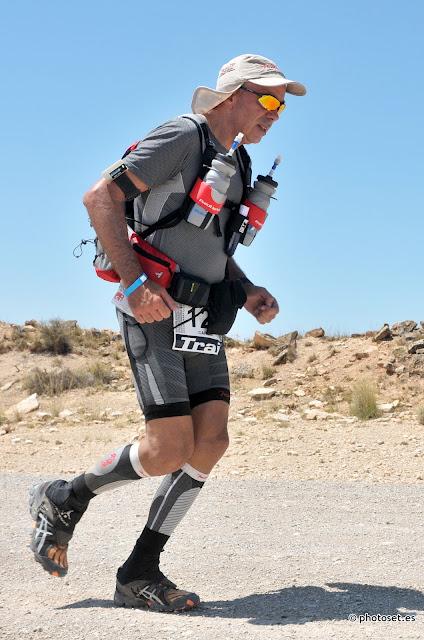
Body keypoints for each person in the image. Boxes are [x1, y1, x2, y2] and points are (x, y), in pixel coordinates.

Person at [29, 53, 306, 612]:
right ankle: (65, 496)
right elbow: (99, 198)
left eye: (282, 104)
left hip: (203, 315)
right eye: (268, 99)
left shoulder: (239, 164)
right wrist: (134, 287)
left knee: (212, 441)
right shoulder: (183, 136)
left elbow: (211, 248)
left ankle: (139, 571)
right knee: (166, 448)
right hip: (153, 308)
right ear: (230, 95)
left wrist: (248, 288)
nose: (276, 113)